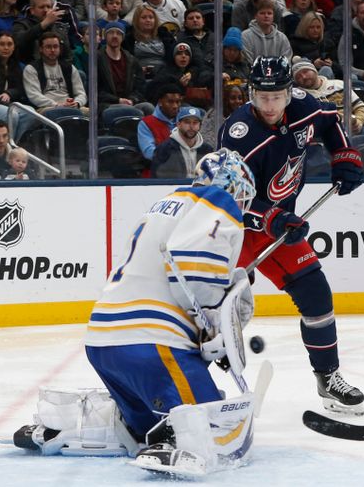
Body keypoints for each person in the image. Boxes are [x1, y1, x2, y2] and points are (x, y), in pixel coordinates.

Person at [13, 150, 259, 477]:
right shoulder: (216, 200)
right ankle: (175, 440)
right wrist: (213, 321)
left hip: (103, 344)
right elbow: (193, 271)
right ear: (231, 186)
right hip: (152, 345)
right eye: (242, 197)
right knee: (212, 431)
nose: (241, 207)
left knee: (143, 430)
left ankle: (86, 426)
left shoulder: (166, 204)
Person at [218, 56, 364, 415]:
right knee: (217, 313)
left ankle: (328, 378)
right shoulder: (238, 135)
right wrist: (270, 216)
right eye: (262, 97)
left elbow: (330, 121)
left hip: (279, 225)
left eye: (276, 97)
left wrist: (344, 154)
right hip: (235, 229)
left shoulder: (304, 106)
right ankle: (191, 387)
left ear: (289, 93)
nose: (269, 106)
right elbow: (227, 197)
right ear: (250, 94)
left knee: (316, 293)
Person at [291, 57, 364, 135]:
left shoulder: (339, 84)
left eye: (305, 72)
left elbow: (359, 106)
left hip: (353, 128)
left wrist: (359, 122)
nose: (303, 77)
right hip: (329, 135)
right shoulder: (300, 97)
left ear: (314, 70)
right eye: (298, 77)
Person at [23, 31, 88, 115]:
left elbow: (81, 93)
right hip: (46, 107)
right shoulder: (31, 69)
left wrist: (77, 103)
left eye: (55, 46)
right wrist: (56, 105)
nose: (52, 50)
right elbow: (34, 96)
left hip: (70, 106)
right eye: (48, 47)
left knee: (92, 114)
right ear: (41, 49)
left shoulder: (69, 67)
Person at [97, 22, 153, 116]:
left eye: (118, 33)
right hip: (107, 104)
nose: (115, 36)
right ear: (105, 36)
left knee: (148, 107)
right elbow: (95, 90)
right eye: (111, 33)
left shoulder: (131, 60)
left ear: (123, 37)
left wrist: (132, 99)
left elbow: (140, 87)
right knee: (131, 111)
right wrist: (118, 100)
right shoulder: (97, 59)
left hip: (129, 102)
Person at [12, 0, 75, 64]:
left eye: (48, 7)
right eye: (41, 7)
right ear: (32, 10)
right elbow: (18, 41)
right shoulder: (21, 24)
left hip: (56, 68)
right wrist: (44, 24)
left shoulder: (59, 28)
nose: (46, 10)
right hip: (30, 67)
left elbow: (68, 57)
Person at [152, 106, 212, 178]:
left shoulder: (207, 150)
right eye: (187, 122)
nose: (191, 126)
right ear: (178, 124)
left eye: (195, 123)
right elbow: (157, 178)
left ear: (199, 125)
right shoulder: (164, 149)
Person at [138, 83, 183, 161]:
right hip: (161, 167)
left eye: (178, 102)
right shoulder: (146, 123)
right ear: (160, 102)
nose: (175, 106)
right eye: (170, 102)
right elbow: (149, 153)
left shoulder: (186, 120)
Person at [241, 0, 293, 65]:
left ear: (273, 16)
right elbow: (247, 62)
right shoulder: (245, 36)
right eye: (262, 13)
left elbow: (286, 62)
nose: (266, 16)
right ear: (255, 16)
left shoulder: (282, 38)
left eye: (269, 13)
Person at [289, 11, 337, 78]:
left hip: (329, 78)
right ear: (304, 27)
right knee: (326, 70)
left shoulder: (328, 43)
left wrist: (332, 64)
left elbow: (340, 68)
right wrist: (313, 64)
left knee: (327, 70)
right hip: (305, 78)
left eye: (318, 27)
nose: (315, 30)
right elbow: (294, 67)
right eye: (312, 27)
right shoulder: (295, 43)